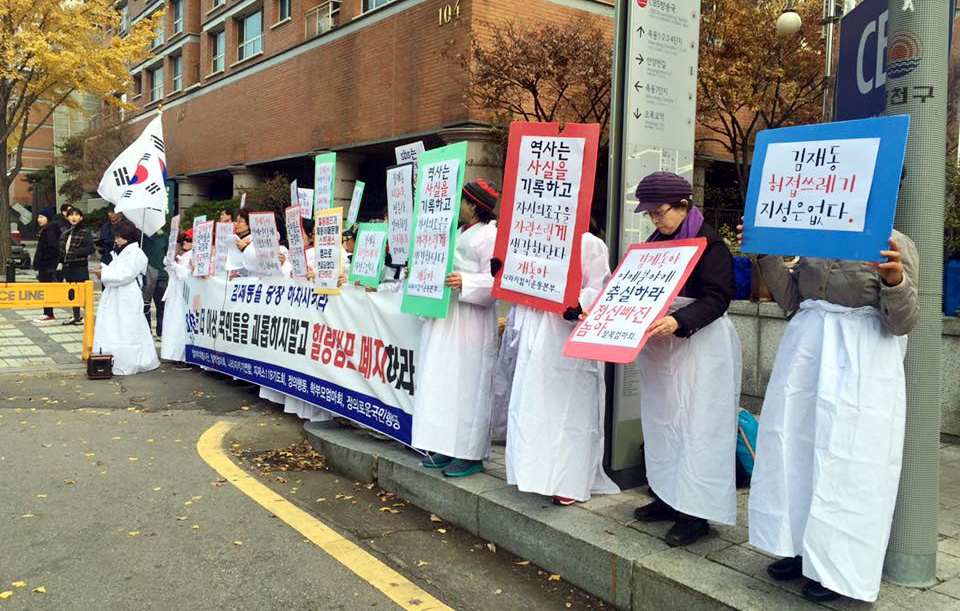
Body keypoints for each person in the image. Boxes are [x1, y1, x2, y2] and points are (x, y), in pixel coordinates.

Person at [742, 223, 919, 603]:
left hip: (861, 363)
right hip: (806, 356)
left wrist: (895, 281)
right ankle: (799, 549)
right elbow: (791, 299)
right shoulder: (815, 236)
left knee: (848, 464)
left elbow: (903, 322)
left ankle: (836, 567)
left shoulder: (894, 243)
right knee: (796, 453)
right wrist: (765, 250)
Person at [627, 172, 742, 547]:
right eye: (650, 215)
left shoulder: (711, 245)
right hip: (663, 348)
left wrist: (680, 320)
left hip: (699, 345)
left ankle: (695, 513)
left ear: (683, 205)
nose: (655, 221)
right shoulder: (655, 243)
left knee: (697, 426)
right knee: (663, 422)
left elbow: (717, 297)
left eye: (660, 213)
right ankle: (665, 494)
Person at [505, 231, 620, 505]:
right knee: (535, 408)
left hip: (567, 335)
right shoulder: (535, 238)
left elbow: (600, 286)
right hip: (537, 333)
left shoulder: (590, 243)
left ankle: (570, 480)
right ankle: (535, 473)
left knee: (571, 410)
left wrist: (578, 304)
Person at [412, 179, 500, 477]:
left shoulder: (491, 235)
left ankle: (470, 453)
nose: (457, 204)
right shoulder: (455, 232)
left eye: (462, 200)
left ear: (473, 205)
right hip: (446, 316)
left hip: (471, 322)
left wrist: (467, 283)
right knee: (443, 382)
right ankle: (445, 446)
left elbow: (498, 280)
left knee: (468, 385)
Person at [92, 223, 160, 375]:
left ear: (128, 237)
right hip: (115, 294)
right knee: (114, 326)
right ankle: (112, 358)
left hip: (127, 295)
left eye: (119, 237)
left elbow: (126, 275)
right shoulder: (121, 252)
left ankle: (131, 361)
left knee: (128, 328)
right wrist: (104, 271)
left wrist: (104, 274)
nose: (116, 240)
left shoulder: (137, 254)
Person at [160, 229, 194, 369]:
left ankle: (183, 356)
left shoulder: (194, 255)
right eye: (184, 239)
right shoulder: (181, 254)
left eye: (189, 240)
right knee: (171, 323)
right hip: (174, 293)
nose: (185, 242)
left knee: (181, 324)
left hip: (186, 294)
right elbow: (168, 267)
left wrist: (176, 266)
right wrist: (172, 260)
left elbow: (189, 274)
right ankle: (173, 354)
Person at [57, 207, 95, 325]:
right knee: (72, 293)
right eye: (71, 215)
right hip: (68, 266)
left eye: (76, 215)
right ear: (67, 217)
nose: (73, 217)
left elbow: (91, 248)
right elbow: (62, 251)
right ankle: (76, 316)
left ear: (81, 217)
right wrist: (60, 263)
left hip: (80, 266)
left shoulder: (85, 231)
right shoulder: (66, 232)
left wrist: (77, 252)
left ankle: (87, 315)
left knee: (82, 292)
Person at [32, 207, 61, 322]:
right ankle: (47, 313)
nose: (39, 219)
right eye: (38, 217)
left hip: (48, 267)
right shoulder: (47, 230)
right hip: (46, 266)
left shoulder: (49, 231)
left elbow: (52, 248)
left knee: (47, 289)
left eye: (41, 217)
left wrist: (42, 261)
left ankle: (49, 314)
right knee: (46, 289)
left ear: (48, 218)